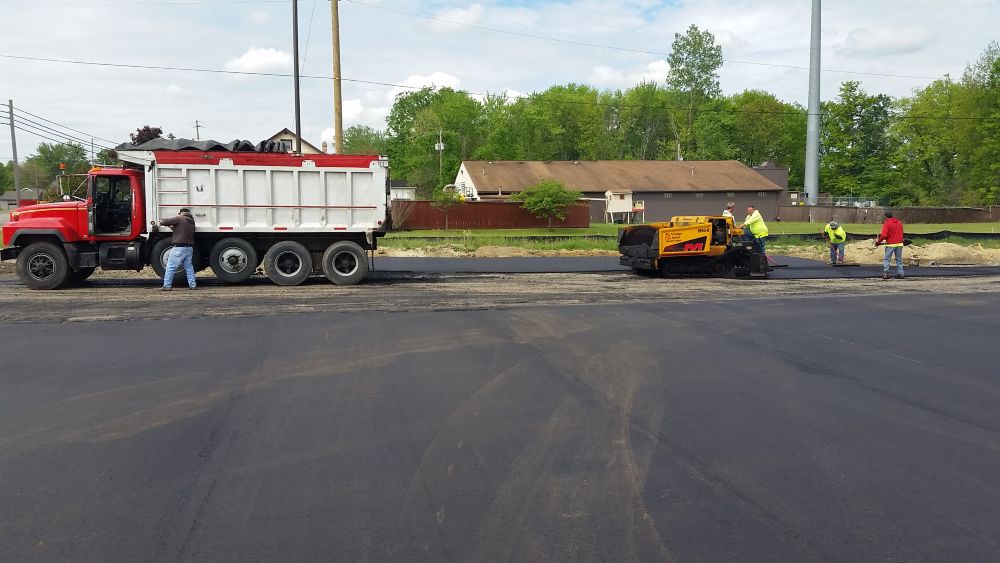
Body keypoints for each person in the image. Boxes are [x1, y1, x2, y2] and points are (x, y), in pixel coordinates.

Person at [160, 207, 197, 290]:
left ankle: (167, 285)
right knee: (189, 267)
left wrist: (161, 221)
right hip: (189, 248)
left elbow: (165, 222)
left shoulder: (180, 218)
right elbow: (183, 229)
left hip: (179, 248)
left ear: (180, 213)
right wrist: (173, 228)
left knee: (170, 266)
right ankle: (192, 285)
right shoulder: (191, 221)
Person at [874, 211, 905, 280]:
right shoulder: (899, 223)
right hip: (900, 244)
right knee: (899, 259)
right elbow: (901, 232)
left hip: (891, 244)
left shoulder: (887, 224)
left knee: (887, 259)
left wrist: (878, 242)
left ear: (886, 217)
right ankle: (901, 274)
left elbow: (884, 235)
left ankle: (886, 273)